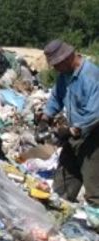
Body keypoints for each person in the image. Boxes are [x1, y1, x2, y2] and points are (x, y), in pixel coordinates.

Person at [41, 39, 99, 205]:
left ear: (67, 58)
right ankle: (60, 217)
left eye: (56, 64)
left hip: (94, 139)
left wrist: (72, 131)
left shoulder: (91, 76)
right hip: (75, 136)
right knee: (62, 187)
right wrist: (46, 119)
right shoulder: (64, 76)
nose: (55, 68)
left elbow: (95, 114)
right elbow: (56, 97)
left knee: (95, 191)